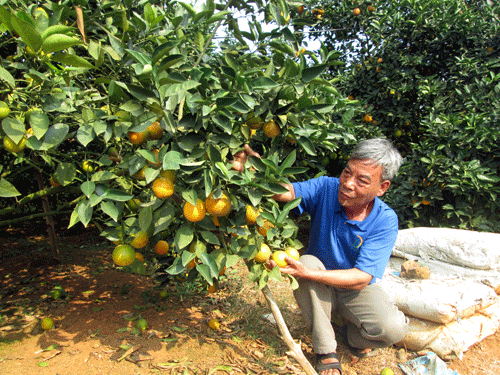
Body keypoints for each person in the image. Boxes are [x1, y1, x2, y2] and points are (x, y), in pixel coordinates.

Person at [232, 138, 408, 375]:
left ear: (382, 187)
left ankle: (350, 337)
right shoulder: (327, 188)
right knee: (306, 262)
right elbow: (286, 191)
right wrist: (256, 170)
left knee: (393, 329)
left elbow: (362, 277)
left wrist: (308, 274)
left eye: (362, 181)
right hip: (317, 281)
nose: (347, 183)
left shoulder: (385, 220)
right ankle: (326, 352)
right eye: (347, 173)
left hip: (353, 287)